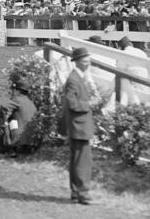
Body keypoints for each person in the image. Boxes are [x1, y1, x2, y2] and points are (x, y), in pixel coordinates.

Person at [60, 47, 100, 205]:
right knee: (83, 161)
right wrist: (89, 104)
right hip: (79, 126)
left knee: (77, 160)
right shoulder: (74, 79)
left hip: (79, 125)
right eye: (84, 59)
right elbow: (72, 103)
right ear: (77, 61)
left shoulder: (78, 77)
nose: (87, 62)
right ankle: (83, 192)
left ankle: (76, 192)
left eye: (88, 59)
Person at [0, 76, 38, 156]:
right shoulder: (30, 102)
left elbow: (4, 109)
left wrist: (2, 124)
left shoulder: (17, 99)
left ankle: (9, 149)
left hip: (19, 138)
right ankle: (24, 148)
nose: (12, 92)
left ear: (17, 91)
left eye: (13, 90)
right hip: (33, 141)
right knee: (15, 120)